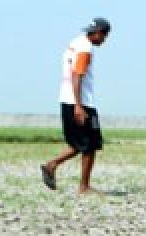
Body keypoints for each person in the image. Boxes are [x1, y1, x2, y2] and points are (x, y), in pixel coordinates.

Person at [41, 17, 111, 194]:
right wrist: (79, 106)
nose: (104, 39)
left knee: (81, 143)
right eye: (104, 35)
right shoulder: (85, 48)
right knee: (90, 144)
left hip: (69, 100)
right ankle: (83, 186)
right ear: (97, 32)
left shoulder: (75, 43)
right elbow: (77, 75)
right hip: (81, 102)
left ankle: (52, 166)